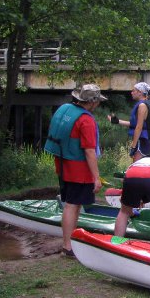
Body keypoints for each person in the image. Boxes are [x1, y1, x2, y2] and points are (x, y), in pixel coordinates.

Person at [45, 84, 107, 256]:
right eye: (98, 102)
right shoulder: (86, 120)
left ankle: (70, 242)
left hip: (63, 165)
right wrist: (96, 177)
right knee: (72, 206)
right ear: (92, 102)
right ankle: (68, 246)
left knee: (73, 204)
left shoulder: (66, 109)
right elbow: (89, 151)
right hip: (78, 170)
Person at [108, 82, 150, 162]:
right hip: (143, 140)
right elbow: (136, 124)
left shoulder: (142, 106)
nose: (131, 92)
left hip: (141, 140)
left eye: (134, 91)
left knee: (137, 167)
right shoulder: (146, 104)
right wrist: (117, 121)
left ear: (140, 92)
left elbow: (139, 127)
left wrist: (133, 146)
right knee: (138, 167)